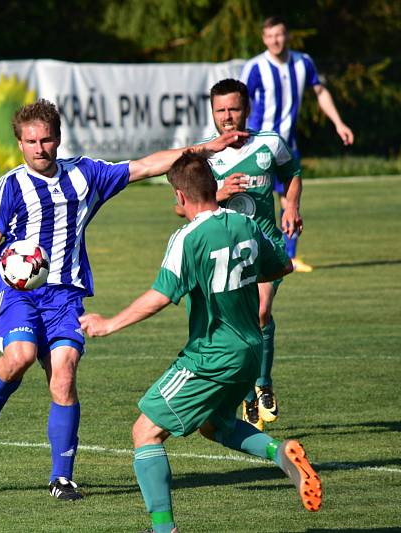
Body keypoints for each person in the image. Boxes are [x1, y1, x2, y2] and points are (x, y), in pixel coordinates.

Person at [0, 98, 246, 501]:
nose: (40, 148)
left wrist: (207, 147)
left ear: (58, 138)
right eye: (31, 141)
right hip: (20, 296)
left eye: (47, 140)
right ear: (20, 144)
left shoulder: (86, 175)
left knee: (64, 373)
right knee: (19, 356)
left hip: (66, 298)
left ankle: (62, 478)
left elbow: (146, 165)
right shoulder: (10, 187)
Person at [80, 150, 321, 532]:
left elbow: (160, 296)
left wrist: (109, 324)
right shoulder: (246, 224)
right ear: (213, 187)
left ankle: (164, 530)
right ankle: (279, 453)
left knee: (145, 431)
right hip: (251, 351)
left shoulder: (187, 238)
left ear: (180, 197)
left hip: (213, 354)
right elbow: (283, 266)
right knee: (215, 424)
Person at [198, 78, 302, 430]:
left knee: (259, 311)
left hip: (266, 245)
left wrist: (290, 208)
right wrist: (219, 193)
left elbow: (293, 174)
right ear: (212, 112)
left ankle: (263, 383)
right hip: (227, 253)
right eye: (220, 110)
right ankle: (247, 396)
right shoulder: (205, 155)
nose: (227, 117)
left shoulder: (269, 143)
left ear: (247, 109)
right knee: (238, 325)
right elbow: (182, 208)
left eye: (234, 109)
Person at [241, 15, 355, 272]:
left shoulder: (304, 63)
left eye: (279, 35)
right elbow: (240, 103)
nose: (275, 41)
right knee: (256, 198)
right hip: (257, 146)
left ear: (287, 35)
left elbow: (320, 91)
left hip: (287, 145)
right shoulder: (255, 67)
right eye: (269, 36)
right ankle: (254, 252)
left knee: (290, 199)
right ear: (263, 38)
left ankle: (289, 256)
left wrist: (339, 123)